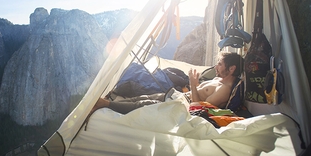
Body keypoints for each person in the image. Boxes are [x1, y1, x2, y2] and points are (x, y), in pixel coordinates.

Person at [92, 52, 244, 114]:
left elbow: (199, 108)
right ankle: (105, 103)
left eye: (220, 64)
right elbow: (200, 94)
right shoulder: (218, 80)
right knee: (143, 97)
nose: (216, 67)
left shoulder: (224, 89)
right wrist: (194, 85)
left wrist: (193, 83)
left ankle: (105, 105)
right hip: (178, 96)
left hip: (183, 104)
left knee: (144, 105)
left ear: (231, 69)